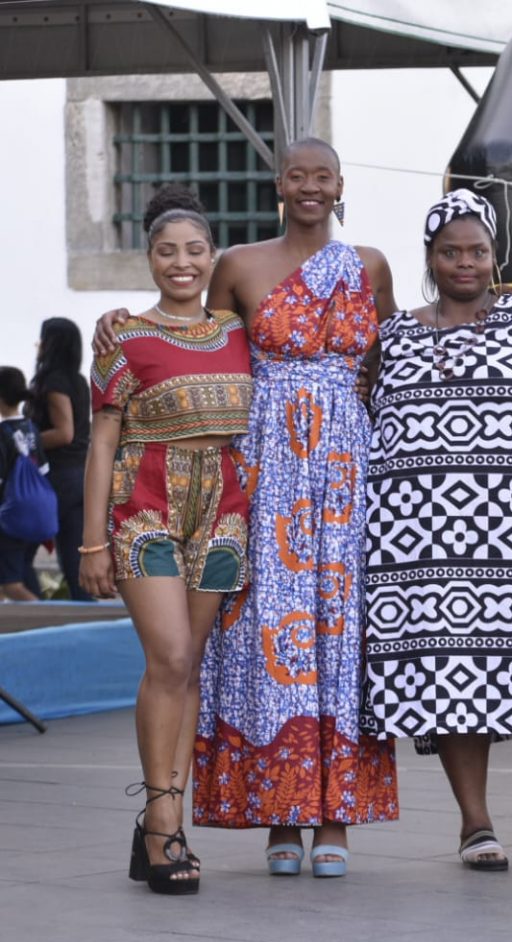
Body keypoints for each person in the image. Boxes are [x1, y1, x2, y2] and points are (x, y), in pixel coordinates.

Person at [98, 138, 400, 876]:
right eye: (296, 174)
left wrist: (507, 307)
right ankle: (278, 818)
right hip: (260, 472)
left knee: (339, 636)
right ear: (277, 184)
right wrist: (119, 322)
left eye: (322, 175)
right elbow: (197, 332)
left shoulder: (369, 264)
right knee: (265, 639)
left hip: (343, 471)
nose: (309, 186)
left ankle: (335, 818)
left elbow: (395, 352)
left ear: (339, 184)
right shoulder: (236, 264)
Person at [362, 190, 512, 871]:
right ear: (430, 258)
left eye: (477, 250)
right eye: (450, 251)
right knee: (449, 676)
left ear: (495, 255)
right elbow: (365, 410)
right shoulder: (397, 335)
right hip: (423, 548)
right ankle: (475, 825)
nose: (464, 263)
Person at [79, 186, 254, 894]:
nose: (181, 263)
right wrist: (91, 543)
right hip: (144, 500)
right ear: (148, 258)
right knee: (171, 654)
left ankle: (166, 821)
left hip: (224, 506)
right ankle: (160, 824)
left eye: (193, 251)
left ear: (212, 257)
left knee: (190, 669)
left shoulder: (242, 330)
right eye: (165, 251)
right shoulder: (121, 336)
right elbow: (100, 444)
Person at [29, 317, 92, 600]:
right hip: (80, 473)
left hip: (60, 476)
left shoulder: (53, 381)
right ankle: (87, 619)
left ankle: (32, 611)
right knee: (73, 557)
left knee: (16, 556)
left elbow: (64, 433)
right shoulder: (77, 380)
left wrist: (19, 438)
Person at [0, 367, 47, 601]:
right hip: (38, 511)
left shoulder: (2, 433)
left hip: (12, 516)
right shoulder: (31, 428)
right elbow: (43, 469)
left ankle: (47, 618)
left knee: (11, 585)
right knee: (22, 570)